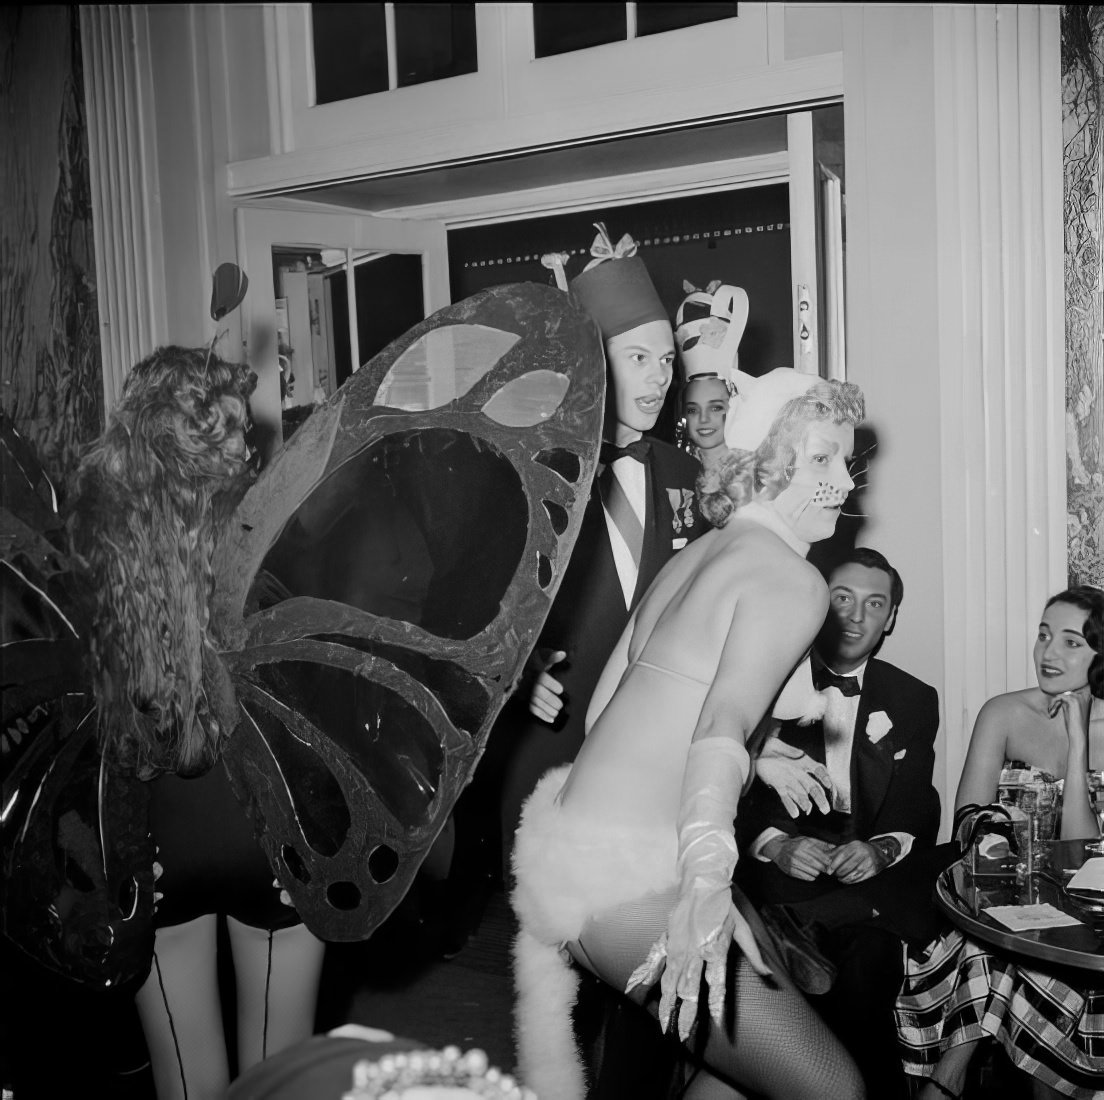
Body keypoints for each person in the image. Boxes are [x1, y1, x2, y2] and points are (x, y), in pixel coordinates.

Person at [512, 367, 867, 1100]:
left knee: (743, 1072)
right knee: (836, 1090)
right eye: (822, 458)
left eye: (846, 459)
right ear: (769, 461)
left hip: (562, 851)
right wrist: (705, 886)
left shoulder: (695, 554)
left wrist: (760, 757)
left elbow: (615, 706)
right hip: (632, 881)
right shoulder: (791, 580)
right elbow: (717, 721)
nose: (845, 482)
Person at [70, 346, 325, 1100]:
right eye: (238, 430)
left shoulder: (95, 559)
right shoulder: (277, 543)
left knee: (187, 1081)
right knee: (280, 1080)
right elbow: (312, 714)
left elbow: (83, 729)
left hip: (155, 851)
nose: (251, 446)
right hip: (267, 840)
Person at [497, 226, 703, 868]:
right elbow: (478, 604)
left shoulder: (685, 474)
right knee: (549, 930)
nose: (659, 379)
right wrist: (517, 673)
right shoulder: (531, 471)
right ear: (593, 358)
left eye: (667, 360)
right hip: (552, 735)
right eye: (638, 358)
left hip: (651, 746)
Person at [738, 547, 944, 1099]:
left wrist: (880, 848)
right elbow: (723, 788)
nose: (855, 616)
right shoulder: (764, 679)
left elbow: (918, 804)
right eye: (842, 599)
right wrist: (775, 844)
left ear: (891, 618)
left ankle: (822, 923)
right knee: (862, 957)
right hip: (783, 872)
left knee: (941, 870)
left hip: (864, 869)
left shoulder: (914, 697)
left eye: (874, 604)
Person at [897, 585, 1104, 1100]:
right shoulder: (1004, 713)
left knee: (1027, 960)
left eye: (1072, 642)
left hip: (1089, 926)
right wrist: (1002, 853)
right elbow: (966, 824)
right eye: (1043, 635)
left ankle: (946, 1079)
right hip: (998, 905)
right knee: (1007, 947)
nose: (1048, 653)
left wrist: (1077, 746)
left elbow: (1084, 861)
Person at [682, 373, 733, 471]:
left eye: (715, 408)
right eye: (692, 410)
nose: (703, 419)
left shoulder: (758, 470)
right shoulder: (673, 469)